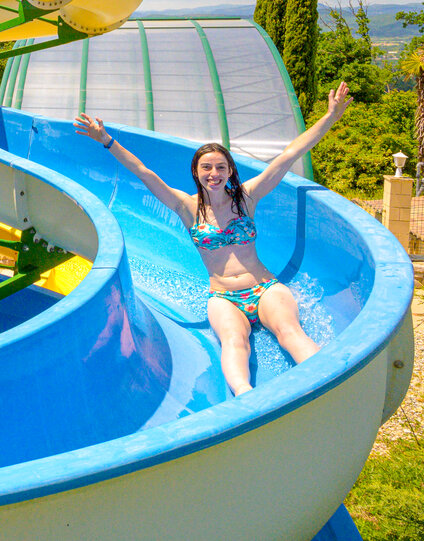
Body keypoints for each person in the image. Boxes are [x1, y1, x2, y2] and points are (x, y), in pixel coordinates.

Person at [73, 81, 350, 396]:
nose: (214, 173)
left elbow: (288, 156)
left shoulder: (246, 198)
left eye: (221, 167)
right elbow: (144, 172)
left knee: (289, 331)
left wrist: (330, 117)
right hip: (223, 297)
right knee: (234, 341)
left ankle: (329, 386)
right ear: (196, 172)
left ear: (230, 171)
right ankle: (245, 397)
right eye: (206, 167)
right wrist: (106, 140)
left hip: (265, 288)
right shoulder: (186, 207)